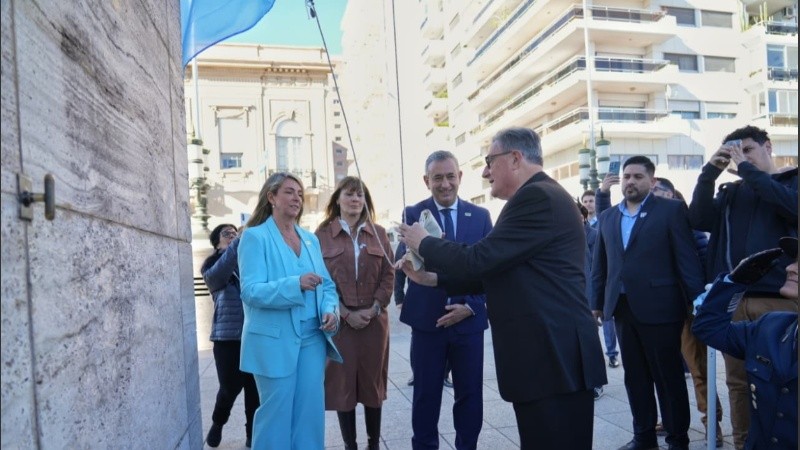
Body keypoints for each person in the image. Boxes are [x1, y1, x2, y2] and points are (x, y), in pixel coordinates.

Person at [399, 128, 606, 450]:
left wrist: (423, 243)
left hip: (552, 357)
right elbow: (503, 270)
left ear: (514, 159)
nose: (484, 172)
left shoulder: (536, 197)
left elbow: (479, 259)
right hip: (549, 358)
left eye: (489, 161)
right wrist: (431, 280)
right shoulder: (539, 195)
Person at [687, 125, 798, 450]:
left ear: (768, 146)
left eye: (747, 149)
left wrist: (747, 170)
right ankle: (742, 444)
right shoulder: (732, 191)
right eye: (734, 151)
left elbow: (792, 208)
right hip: (735, 301)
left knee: (782, 382)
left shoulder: (790, 181)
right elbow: (699, 218)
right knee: (738, 383)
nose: (739, 157)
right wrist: (710, 173)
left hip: (778, 301)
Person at [591, 156, 705, 450]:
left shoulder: (671, 210)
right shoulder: (608, 217)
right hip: (622, 309)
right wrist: (596, 303)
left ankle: (677, 439)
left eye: (638, 176)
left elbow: (686, 258)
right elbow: (600, 266)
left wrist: (697, 300)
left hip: (662, 308)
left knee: (668, 378)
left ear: (652, 182)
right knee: (635, 378)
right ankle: (643, 437)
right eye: (627, 176)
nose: (630, 181)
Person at [395, 150, 492, 450]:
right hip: (428, 323)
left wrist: (472, 307)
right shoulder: (414, 213)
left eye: (451, 176)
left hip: (468, 321)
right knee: (426, 395)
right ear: (427, 181)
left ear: (460, 177)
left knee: (470, 395)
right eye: (438, 178)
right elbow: (410, 260)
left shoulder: (480, 216)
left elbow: (490, 269)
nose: (445, 184)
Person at [237, 172, 342, 449]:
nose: (297, 197)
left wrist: (331, 310)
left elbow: (327, 286)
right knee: (276, 416)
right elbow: (250, 290)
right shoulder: (255, 238)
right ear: (271, 197)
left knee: (310, 416)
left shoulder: (310, 239)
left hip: (312, 340)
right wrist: (294, 285)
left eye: (299, 193)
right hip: (273, 340)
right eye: (289, 192)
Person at [692, 237, 798, 449]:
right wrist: (735, 283)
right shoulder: (771, 327)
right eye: (794, 260)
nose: (790, 267)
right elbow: (708, 328)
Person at [315, 177, 395, 450]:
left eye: (360, 195)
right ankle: (351, 445)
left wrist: (373, 309)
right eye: (349, 194)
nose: (355, 200)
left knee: (373, 386)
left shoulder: (379, 233)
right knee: (342, 385)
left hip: (374, 322)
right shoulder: (322, 235)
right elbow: (321, 280)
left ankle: (374, 443)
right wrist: (347, 313)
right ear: (337, 199)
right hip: (341, 323)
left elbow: (389, 274)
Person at [650, 177, 723, 447]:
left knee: (699, 369)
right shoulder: (650, 222)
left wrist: (699, 303)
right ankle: (670, 420)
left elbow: (703, 260)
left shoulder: (687, 221)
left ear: (670, 194)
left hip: (689, 309)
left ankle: (711, 424)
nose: (653, 197)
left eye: (658, 192)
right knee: (663, 370)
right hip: (661, 309)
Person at [201, 224, 259, 448]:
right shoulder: (213, 265)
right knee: (230, 387)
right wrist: (238, 243)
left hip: (254, 334)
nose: (233, 235)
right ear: (216, 242)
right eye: (227, 234)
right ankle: (218, 422)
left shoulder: (249, 262)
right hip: (227, 337)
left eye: (236, 233)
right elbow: (218, 276)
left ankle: (251, 435)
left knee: (254, 389)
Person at [590, 184, 621, 369]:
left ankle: (612, 354)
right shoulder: (604, 221)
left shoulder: (596, 229)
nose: (587, 204)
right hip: (603, 288)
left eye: (590, 201)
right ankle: (609, 355)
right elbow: (597, 266)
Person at [578, 202, 606, 401]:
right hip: (570, 296)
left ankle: (596, 383)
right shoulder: (561, 235)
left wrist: (594, 302)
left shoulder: (593, 235)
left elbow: (595, 271)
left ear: (584, 216)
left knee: (590, 341)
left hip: (587, 296)